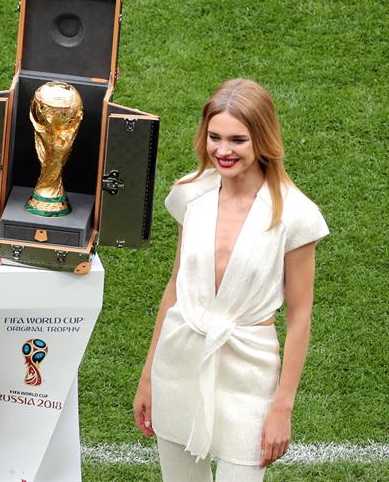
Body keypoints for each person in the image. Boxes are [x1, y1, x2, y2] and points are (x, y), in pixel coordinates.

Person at [132, 78, 328, 481]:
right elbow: (175, 287)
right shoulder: (191, 194)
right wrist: (149, 376)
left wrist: (282, 408)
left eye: (237, 139)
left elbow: (299, 318)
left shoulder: (295, 215)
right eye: (214, 137)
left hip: (249, 373)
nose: (223, 150)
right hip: (179, 360)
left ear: (263, 139)